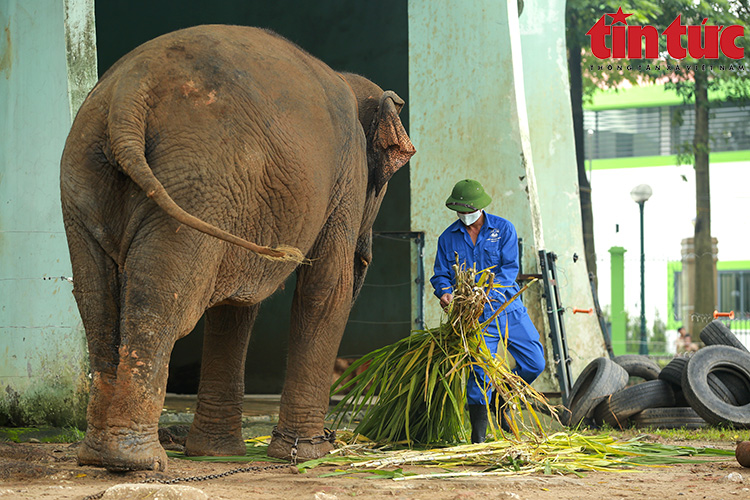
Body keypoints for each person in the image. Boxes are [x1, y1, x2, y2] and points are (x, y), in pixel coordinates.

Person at [430, 179, 546, 443]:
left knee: (535, 362)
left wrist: (488, 295)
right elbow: (440, 275)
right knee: (478, 376)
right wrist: (445, 292)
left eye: (467, 210)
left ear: (480, 207)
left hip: (507, 308)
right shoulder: (447, 238)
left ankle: (502, 398)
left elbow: (508, 270)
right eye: (459, 211)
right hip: (476, 318)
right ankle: (478, 438)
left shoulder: (503, 229)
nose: (464, 216)